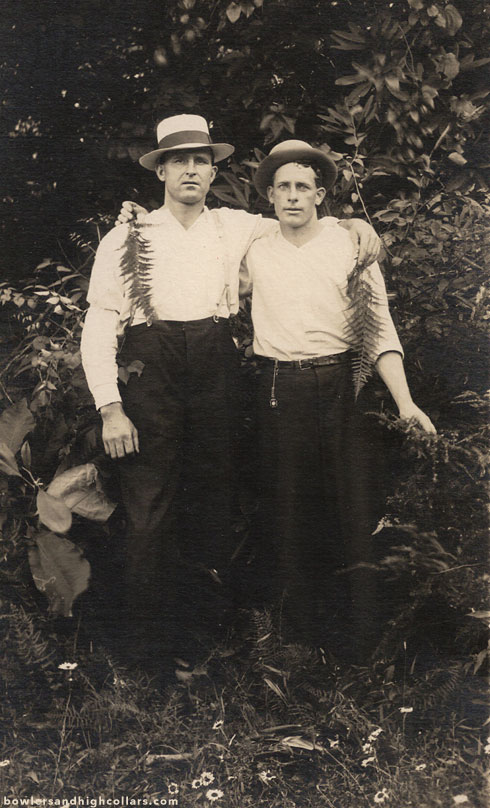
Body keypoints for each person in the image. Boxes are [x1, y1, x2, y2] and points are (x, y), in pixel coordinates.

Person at [80, 114, 381, 674]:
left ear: (212, 170)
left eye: (201, 160)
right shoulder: (129, 236)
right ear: (162, 170)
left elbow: (303, 222)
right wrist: (111, 406)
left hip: (216, 370)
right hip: (152, 375)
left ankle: (206, 641)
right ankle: (145, 655)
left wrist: (356, 227)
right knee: (149, 510)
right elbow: (99, 323)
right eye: (180, 161)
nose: (191, 170)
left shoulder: (237, 226)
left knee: (212, 502)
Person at [240, 140, 436, 659]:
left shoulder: (351, 244)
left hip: (347, 387)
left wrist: (405, 403)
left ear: (321, 194)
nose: (292, 196)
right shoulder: (252, 246)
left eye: (303, 186)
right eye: (281, 187)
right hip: (281, 389)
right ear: (269, 196)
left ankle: (368, 644)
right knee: (290, 510)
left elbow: (378, 329)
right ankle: (302, 642)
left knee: (355, 507)